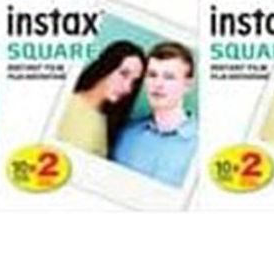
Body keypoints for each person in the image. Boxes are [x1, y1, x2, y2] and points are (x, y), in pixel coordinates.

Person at [111, 42, 198, 187]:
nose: (158, 84)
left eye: (169, 77)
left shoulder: (201, 146)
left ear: (188, 85)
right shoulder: (125, 134)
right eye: (152, 75)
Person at [56, 40, 145, 157]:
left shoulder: (109, 124)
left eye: (134, 82)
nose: (128, 88)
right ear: (106, 66)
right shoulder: (62, 101)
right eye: (124, 74)